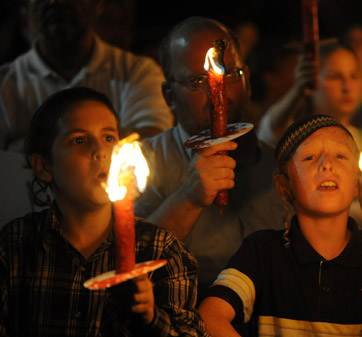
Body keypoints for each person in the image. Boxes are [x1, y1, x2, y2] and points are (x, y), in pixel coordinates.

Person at [0, 87, 208, 336]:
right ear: (43, 166)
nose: (101, 152)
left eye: (109, 138)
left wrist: (151, 319)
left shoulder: (163, 250)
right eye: (79, 140)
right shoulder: (14, 246)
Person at [199, 114, 362, 337]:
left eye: (340, 156)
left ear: (358, 184)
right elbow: (208, 318)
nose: (326, 164)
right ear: (284, 186)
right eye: (309, 157)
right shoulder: (262, 252)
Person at [134, 16, 286, 301]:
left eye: (229, 76)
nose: (217, 92)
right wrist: (188, 197)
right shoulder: (142, 164)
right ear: (169, 95)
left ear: (248, 80)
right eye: (196, 81)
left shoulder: (281, 165)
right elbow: (130, 264)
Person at [0, 0, 173, 152]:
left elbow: (151, 139)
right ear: (26, 11)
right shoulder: (4, 84)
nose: (57, 2)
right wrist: (109, 140)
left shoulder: (139, 73)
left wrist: (25, 146)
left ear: (98, 5)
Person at [258, 40, 362, 230]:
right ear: (312, 83)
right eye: (335, 77)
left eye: (354, 76)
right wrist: (297, 90)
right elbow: (268, 131)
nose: (347, 87)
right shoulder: (295, 140)